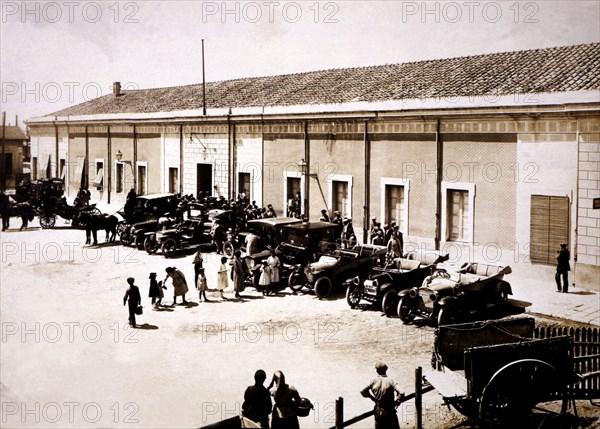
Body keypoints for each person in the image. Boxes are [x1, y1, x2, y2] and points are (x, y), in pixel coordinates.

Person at [360, 362, 404, 429]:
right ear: (386, 369)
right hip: (390, 409)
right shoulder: (391, 380)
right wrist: (397, 401)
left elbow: (362, 391)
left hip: (378, 408)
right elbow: (402, 392)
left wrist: (372, 398)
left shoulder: (373, 381)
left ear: (377, 370)